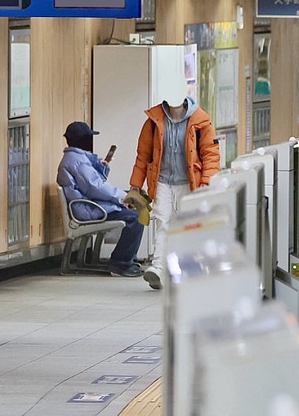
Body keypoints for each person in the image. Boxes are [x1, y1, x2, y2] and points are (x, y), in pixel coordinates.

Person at [130, 94, 220, 289]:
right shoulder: (153, 121)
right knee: (164, 223)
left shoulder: (201, 120)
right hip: (162, 181)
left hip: (190, 183)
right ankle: (158, 268)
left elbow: (211, 155)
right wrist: (136, 184)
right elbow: (143, 155)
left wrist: (206, 183)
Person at [57, 121, 144, 277]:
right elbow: (95, 187)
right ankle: (120, 263)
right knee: (136, 218)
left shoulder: (75, 158)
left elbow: (93, 184)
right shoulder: (77, 161)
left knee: (131, 214)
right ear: (82, 140)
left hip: (90, 205)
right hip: (89, 209)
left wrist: (101, 167)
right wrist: (123, 197)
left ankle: (128, 259)